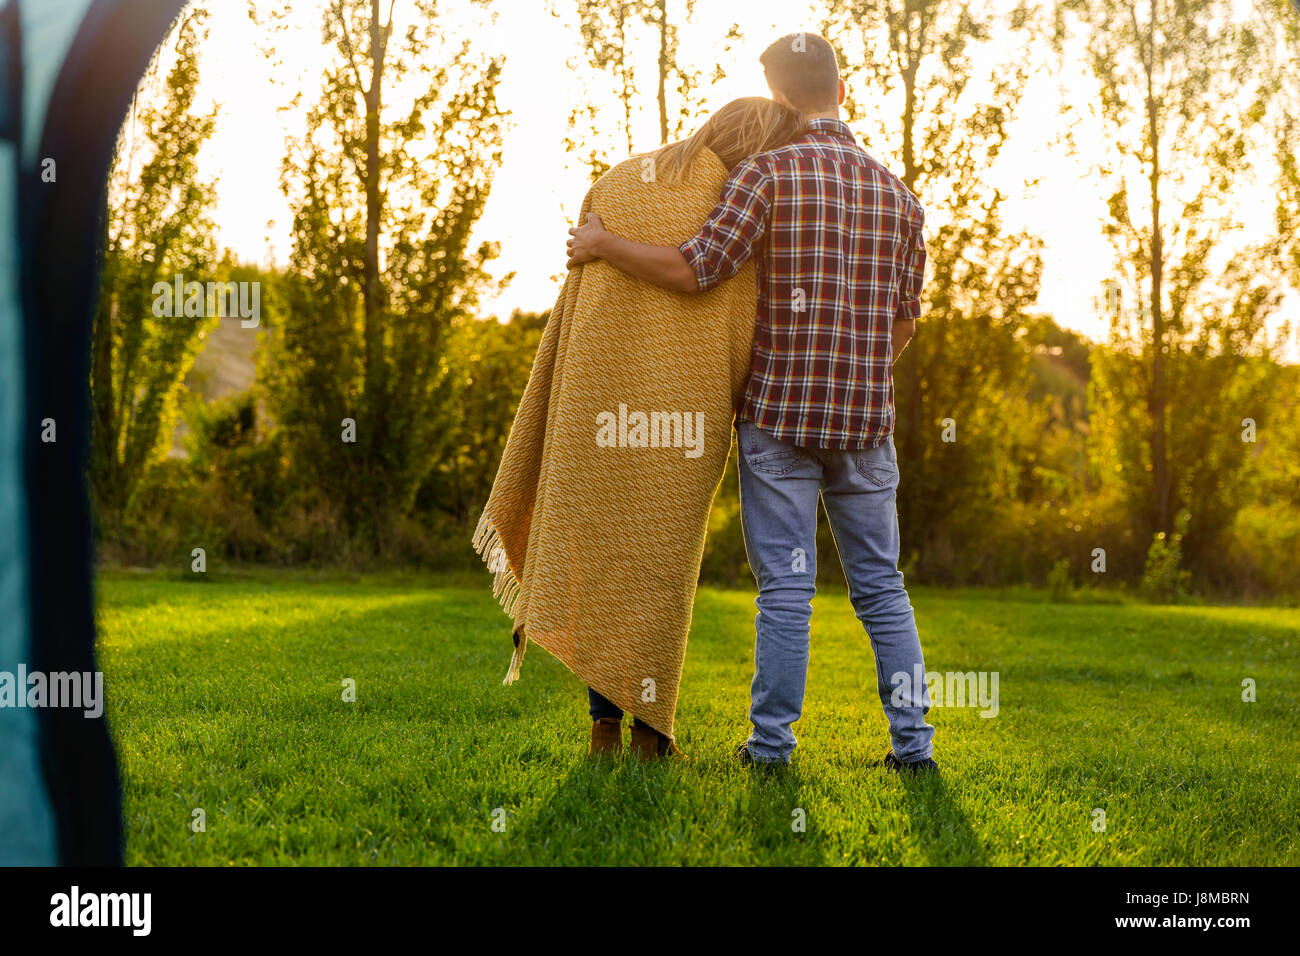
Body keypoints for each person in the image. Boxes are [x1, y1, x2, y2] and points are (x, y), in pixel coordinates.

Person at [566, 33, 939, 773]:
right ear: (842, 90)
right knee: (882, 589)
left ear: (778, 98)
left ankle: (771, 750)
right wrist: (859, 368)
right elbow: (905, 320)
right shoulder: (901, 197)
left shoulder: (768, 176)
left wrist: (602, 246)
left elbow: (694, 269)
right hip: (866, 424)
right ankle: (914, 749)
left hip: (779, 419)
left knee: (787, 594)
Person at [474, 97, 806, 760]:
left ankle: (603, 729)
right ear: (762, 146)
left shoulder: (623, 179)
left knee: (600, 558)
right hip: (682, 418)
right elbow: (733, 301)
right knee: (659, 567)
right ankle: (652, 733)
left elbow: (580, 279)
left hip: (595, 404)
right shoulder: (739, 195)